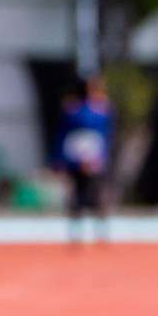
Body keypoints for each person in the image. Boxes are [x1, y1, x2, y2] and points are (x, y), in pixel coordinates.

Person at [55, 75, 114, 244]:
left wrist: (100, 156)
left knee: (98, 194)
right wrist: (60, 158)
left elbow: (106, 133)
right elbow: (62, 134)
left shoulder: (101, 108)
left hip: (95, 154)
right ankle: (75, 232)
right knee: (76, 194)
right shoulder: (71, 108)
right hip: (75, 155)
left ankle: (101, 231)